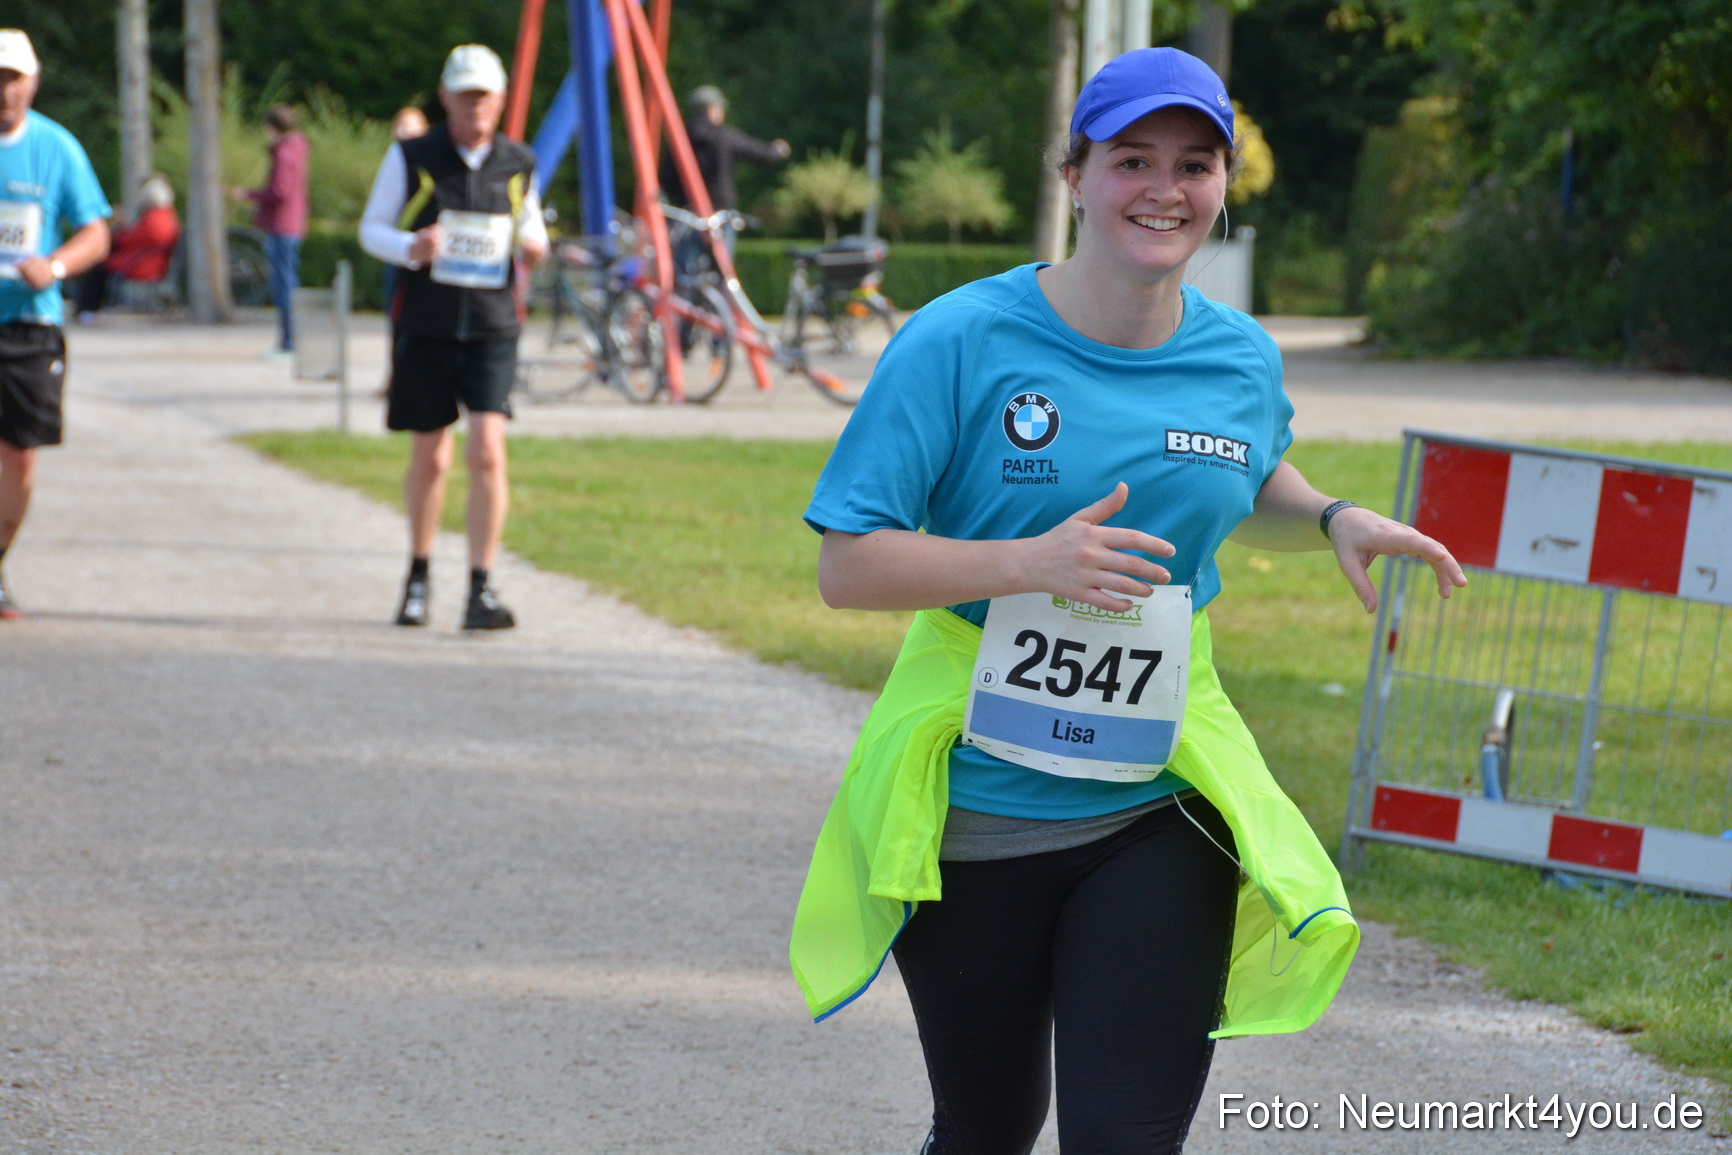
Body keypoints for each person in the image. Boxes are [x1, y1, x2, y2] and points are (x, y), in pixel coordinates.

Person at [789, 47, 1467, 1154]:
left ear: (1221, 185)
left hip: (1159, 802)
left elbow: (1239, 470)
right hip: (973, 812)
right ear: (1074, 175)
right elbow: (847, 564)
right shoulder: (961, 340)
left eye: (1194, 164)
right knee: (985, 1131)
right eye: (1131, 160)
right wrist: (1027, 564)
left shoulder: (1239, 355)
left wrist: (1333, 514)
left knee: (1126, 1139)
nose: (1164, 188)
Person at [358, 44, 546, 631]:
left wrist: (535, 245)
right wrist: (410, 248)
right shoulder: (414, 156)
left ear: (501, 99)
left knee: (488, 449)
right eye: (465, 96)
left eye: (485, 96)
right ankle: (418, 576)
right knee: (431, 456)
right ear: (446, 98)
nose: (475, 107)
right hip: (428, 324)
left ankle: (480, 588)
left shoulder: (518, 162)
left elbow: (530, 224)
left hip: (492, 327)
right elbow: (371, 228)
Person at [0, 29, 111, 621]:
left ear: (32, 83)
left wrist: (57, 264)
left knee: (20, 458)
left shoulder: (56, 147)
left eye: (12, 79)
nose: (4, 92)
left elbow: (96, 231)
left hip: (27, 325)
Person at [659, 85, 788, 263]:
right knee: (722, 271)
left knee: (685, 273)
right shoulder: (726, 137)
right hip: (720, 215)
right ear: (712, 109)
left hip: (687, 216)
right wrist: (777, 151)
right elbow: (761, 154)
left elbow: (665, 180)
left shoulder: (678, 139)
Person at [232, 104, 308, 356]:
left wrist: (248, 194)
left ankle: (289, 342)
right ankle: (289, 340)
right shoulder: (293, 150)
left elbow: (279, 192)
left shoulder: (285, 154)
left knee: (283, 285)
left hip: (282, 226)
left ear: (270, 128)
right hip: (290, 224)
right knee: (286, 282)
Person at [74, 173, 178, 320]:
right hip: (144, 261)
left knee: (97, 267)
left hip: (140, 265)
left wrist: (117, 231)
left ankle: (87, 310)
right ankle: (87, 309)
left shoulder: (155, 220)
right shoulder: (166, 217)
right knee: (99, 265)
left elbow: (128, 239)